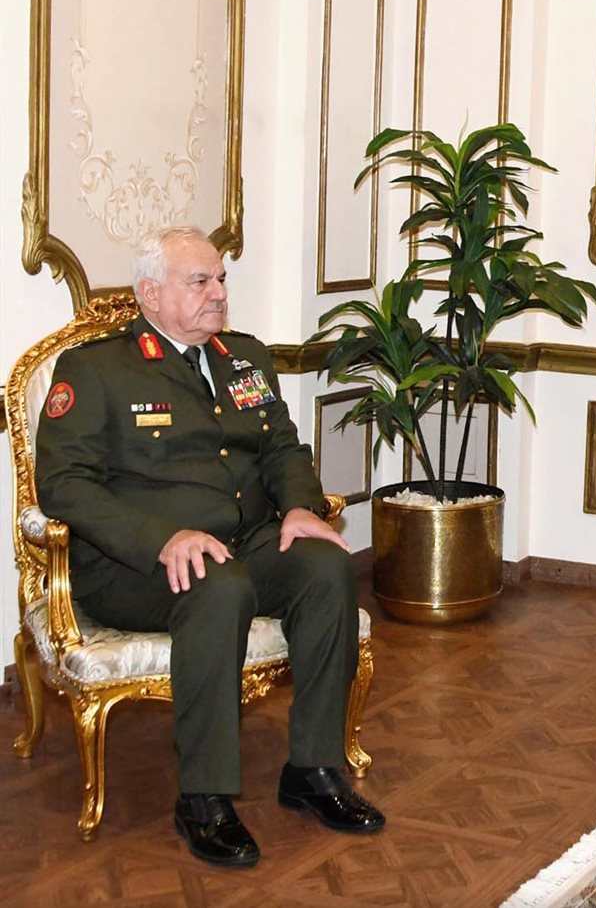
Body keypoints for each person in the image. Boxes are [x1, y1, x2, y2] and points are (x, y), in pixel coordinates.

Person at [35, 227, 385, 867]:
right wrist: (160, 538)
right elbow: (63, 485)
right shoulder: (96, 369)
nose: (219, 292)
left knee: (326, 567)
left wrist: (301, 507)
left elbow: (281, 446)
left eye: (220, 279)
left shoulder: (242, 358)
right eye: (200, 281)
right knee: (218, 585)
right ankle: (204, 797)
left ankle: (313, 770)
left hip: (245, 540)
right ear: (151, 294)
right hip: (137, 565)